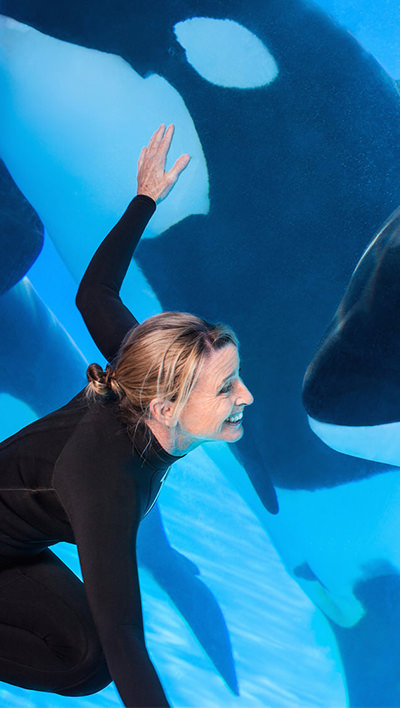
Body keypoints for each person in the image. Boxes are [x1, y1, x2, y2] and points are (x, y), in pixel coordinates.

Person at [0, 124, 253, 706]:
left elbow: (94, 295)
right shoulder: (103, 478)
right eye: (227, 387)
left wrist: (146, 198)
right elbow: (125, 643)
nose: (246, 397)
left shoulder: (140, 373)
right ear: (168, 407)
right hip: (17, 536)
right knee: (88, 661)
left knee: (86, 657)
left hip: (14, 545)